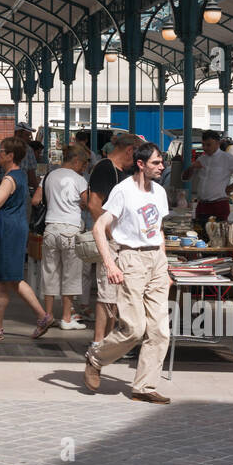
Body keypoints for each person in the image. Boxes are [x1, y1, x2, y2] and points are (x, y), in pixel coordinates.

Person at [84, 141, 172, 403]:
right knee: (134, 329)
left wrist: (164, 266)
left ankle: (144, 387)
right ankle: (96, 356)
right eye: (156, 163)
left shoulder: (159, 192)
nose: (161, 167)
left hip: (156, 258)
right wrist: (110, 263)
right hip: (131, 259)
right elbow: (99, 227)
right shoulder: (123, 191)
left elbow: (159, 230)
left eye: (161, 162)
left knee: (159, 331)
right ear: (141, 164)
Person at [0, 137, 53, 340]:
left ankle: (41, 315)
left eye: (2, 151)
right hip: (13, 228)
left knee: (11, 278)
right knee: (5, 280)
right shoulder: (19, 175)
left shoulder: (10, 178)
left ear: (11, 156)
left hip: (7, 231)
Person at [85, 133, 139, 346]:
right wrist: (110, 234)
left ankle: (108, 339)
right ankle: (99, 342)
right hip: (111, 242)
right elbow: (93, 204)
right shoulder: (105, 168)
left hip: (120, 241)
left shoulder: (118, 171)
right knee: (107, 293)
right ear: (129, 151)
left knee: (116, 294)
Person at [32, 144, 90, 330]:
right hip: (71, 229)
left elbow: (35, 200)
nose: (84, 168)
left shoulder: (48, 176)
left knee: (49, 273)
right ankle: (66, 318)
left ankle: (48, 315)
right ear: (75, 161)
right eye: (83, 164)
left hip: (50, 229)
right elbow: (88, 203)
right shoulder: (79, 180)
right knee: (71, 274)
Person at [183, 130, 233, 226]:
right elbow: (184, 178)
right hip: (202, 205)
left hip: (218, 204)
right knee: (200, 237)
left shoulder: (226, 158)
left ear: (217, 144)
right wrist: (192, 167)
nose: (205, 148)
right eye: (203, 145)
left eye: (208, 145)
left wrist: (231, 187)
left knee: (217, 238)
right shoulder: (201, 159)